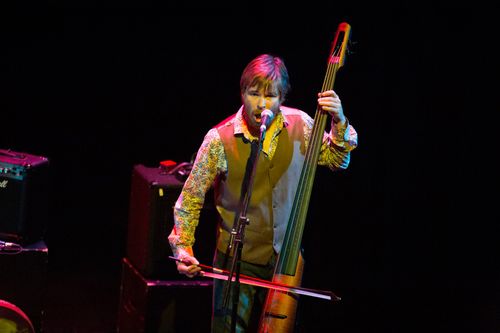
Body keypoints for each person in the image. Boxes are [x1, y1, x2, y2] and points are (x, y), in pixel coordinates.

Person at [168, 53, 358, 332]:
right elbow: (190, 200)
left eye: (270, 95)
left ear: (282, 98)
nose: (260, 104)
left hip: (285, 261)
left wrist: (339, 121)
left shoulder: (303, 126)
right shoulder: (218, 139)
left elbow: (337, 160)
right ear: (242, 92)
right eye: (253, 93)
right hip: (235, 262)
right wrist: (183, 248)